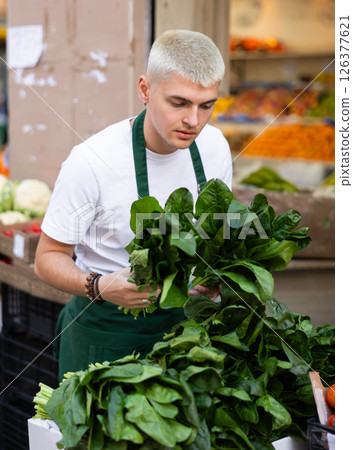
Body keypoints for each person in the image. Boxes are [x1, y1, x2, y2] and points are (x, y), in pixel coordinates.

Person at [34, 29, 233, 380]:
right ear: (145, 89)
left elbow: (215, 232)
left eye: (206, 106)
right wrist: (98, 286)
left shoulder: (215, 146)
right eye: (179, 103)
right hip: (106, 333)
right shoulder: (91, 161)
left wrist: (213, 277)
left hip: (182, 332)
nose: (194, 121)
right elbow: (47, 258)